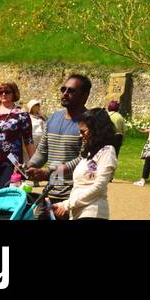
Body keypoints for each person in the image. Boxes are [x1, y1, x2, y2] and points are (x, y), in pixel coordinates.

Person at [24, 73, 91, 218]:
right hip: (50, 191)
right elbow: (42, 151)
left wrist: (50, 172)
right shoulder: (54, 118)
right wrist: (31, 165)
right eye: (63, 89)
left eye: (71, 91)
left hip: (74, 194)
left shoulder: (90, 121)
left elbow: (84, 158)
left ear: (85, 96)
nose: (65, 94)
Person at [52, 108, 118, 220]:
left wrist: (67, 205)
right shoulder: (89, 154)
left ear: (96, 130)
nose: (80, 135)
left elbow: (99, 187)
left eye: (83, 131)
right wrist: (63, 204)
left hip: (92, 212)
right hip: (79, 213)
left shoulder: (107, 151)